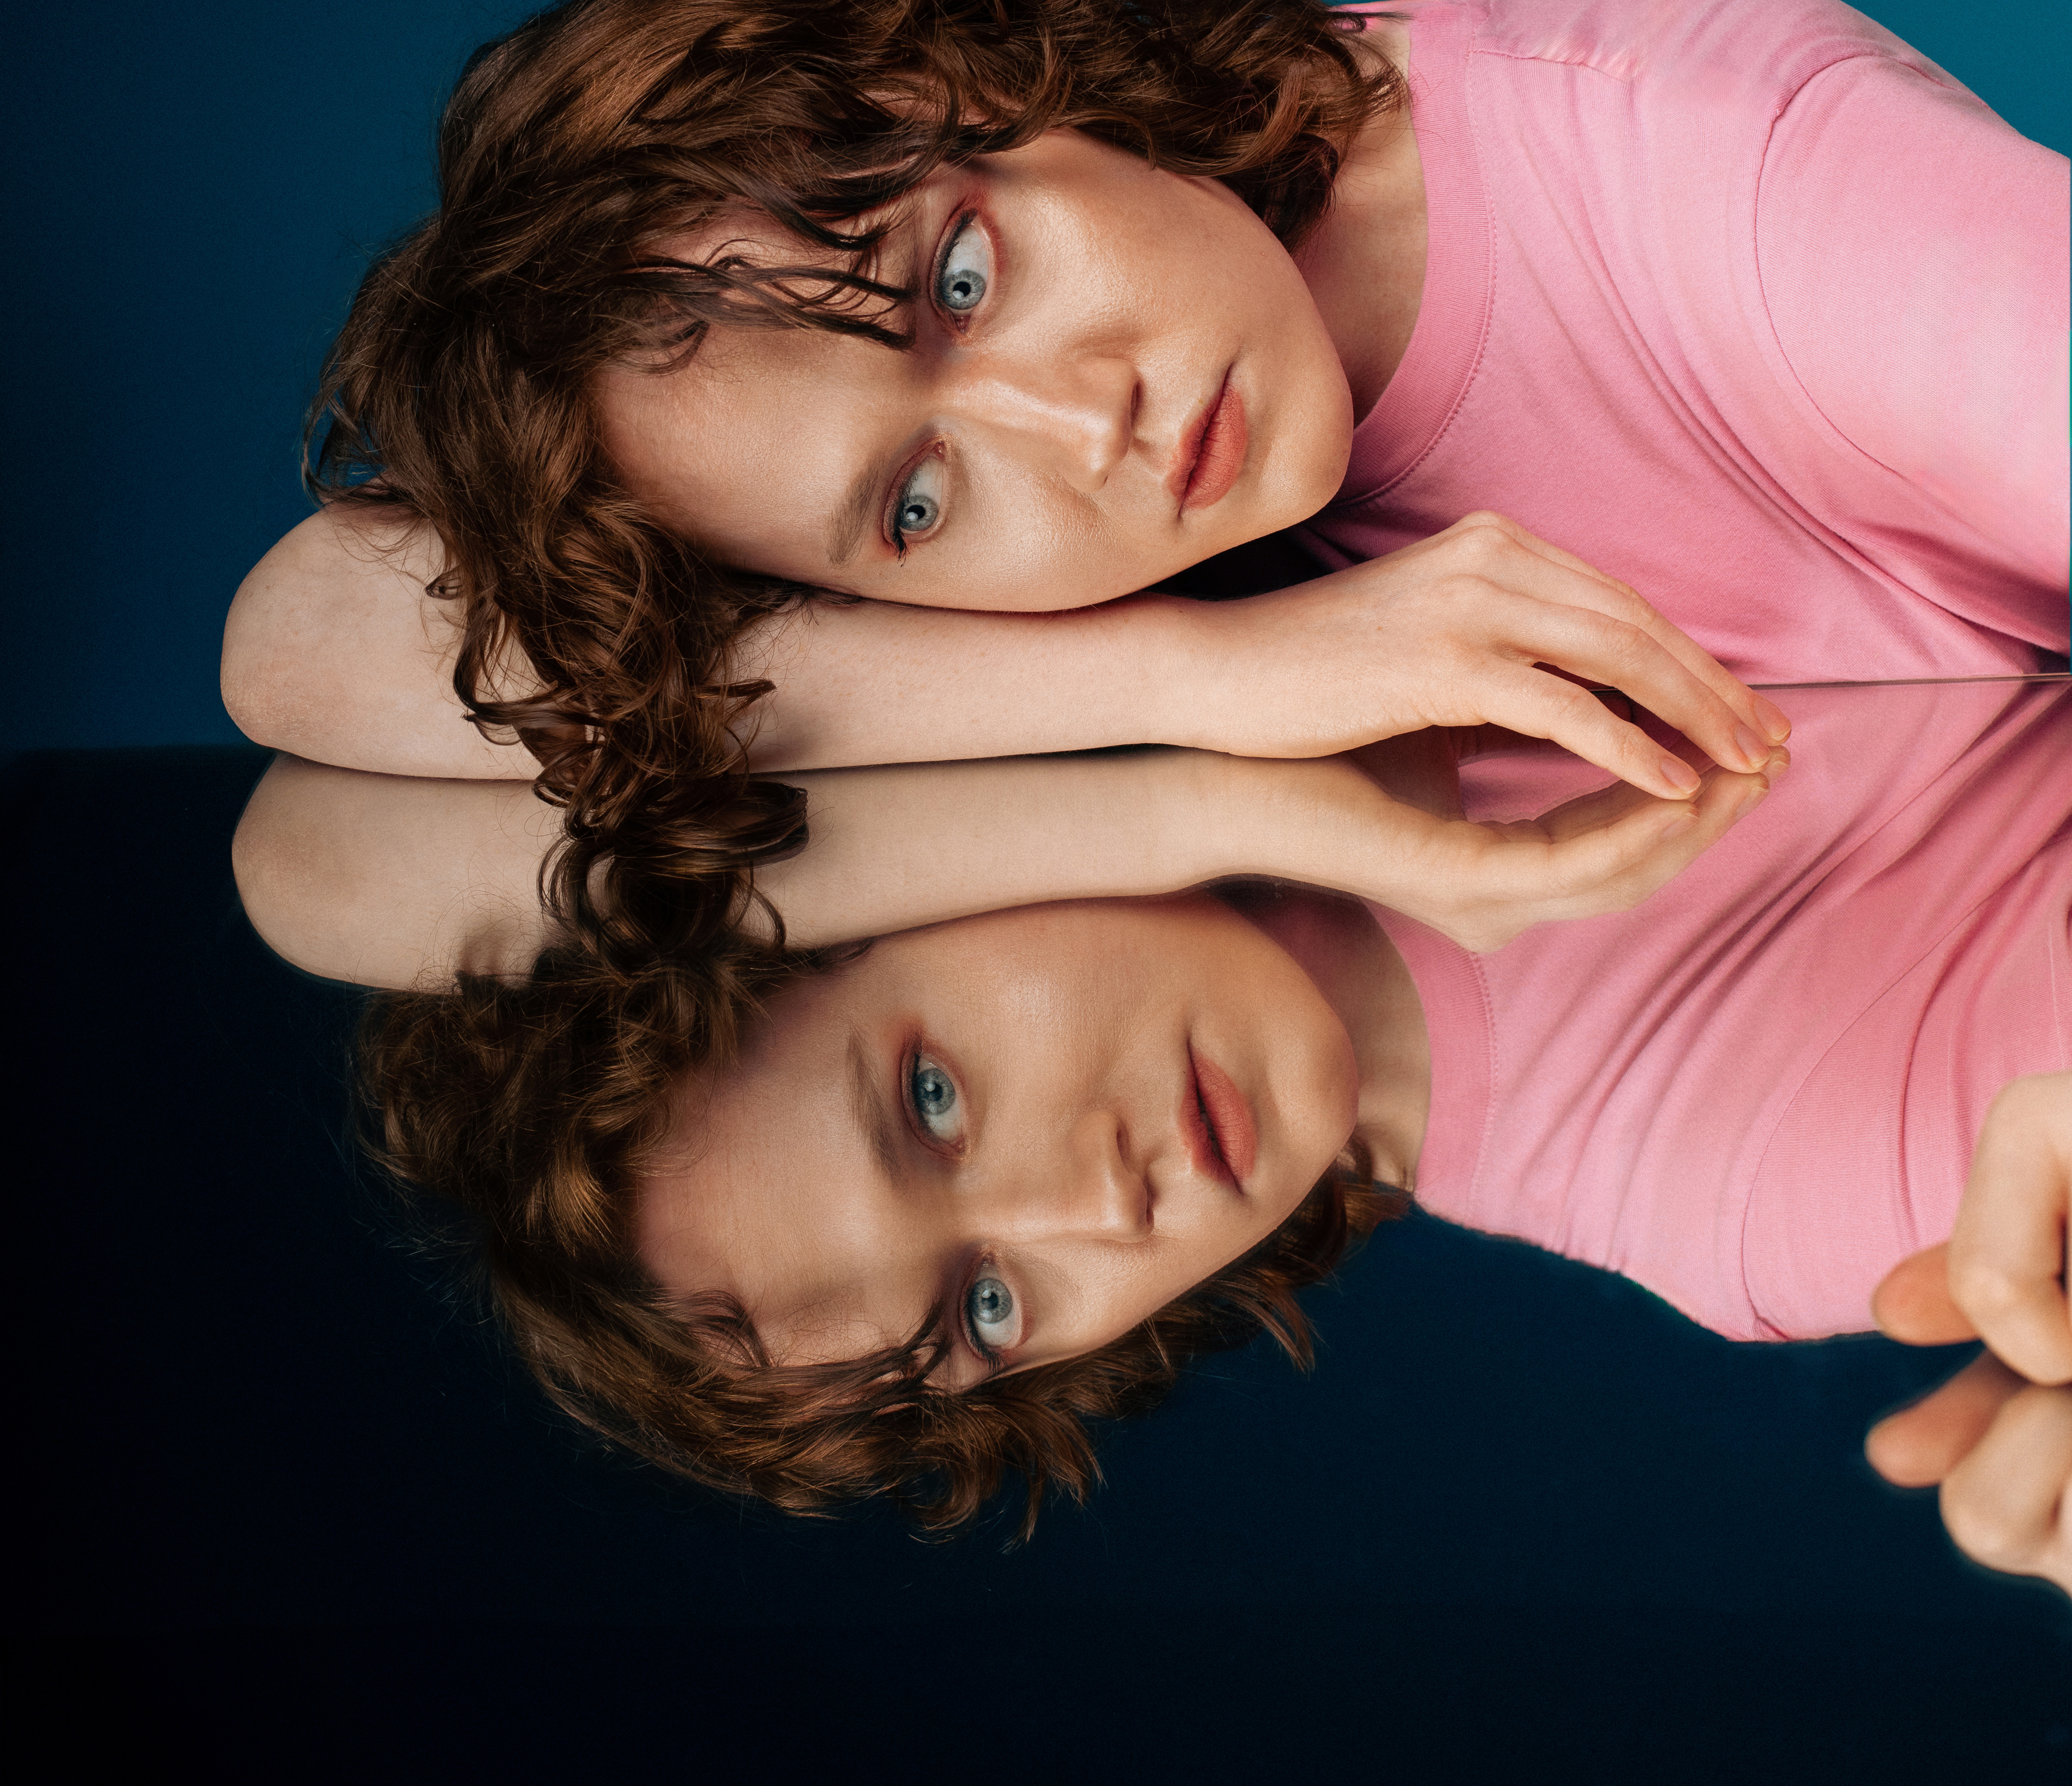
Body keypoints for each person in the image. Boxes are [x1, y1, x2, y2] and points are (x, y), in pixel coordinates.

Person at [221, 0, 2066, 967]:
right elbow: (304, 646)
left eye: (955, 281)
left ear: (989, 84)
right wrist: (1195, 675)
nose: (1068, 424)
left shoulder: (1717, 182)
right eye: (920, 500)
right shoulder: (1177, 580)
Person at [232, 674, 2070, 1587]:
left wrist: (1166, 746)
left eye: (933, 1103)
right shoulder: (1708, 1189)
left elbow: (303, 818)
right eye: (989, 1314)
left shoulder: (1319, 489)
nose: (1087, 1210)